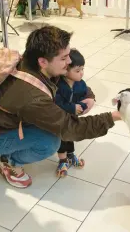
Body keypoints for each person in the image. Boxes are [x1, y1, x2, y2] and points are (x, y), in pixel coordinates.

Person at [0, 26, 122, 188]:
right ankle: (8, 161)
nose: (69, 62)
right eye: (64, 58)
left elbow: (74, 82)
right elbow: (70, 128)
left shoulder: (31, 63)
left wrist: (89, 97)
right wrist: (113, 116)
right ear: (43, 61)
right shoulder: (32, 97)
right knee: (50, 143)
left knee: (59, 116)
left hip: (1, 118)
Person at [55, 49, 92, 177]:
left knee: (71, 136)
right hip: (60, 118)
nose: (81, 73)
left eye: (82, 69)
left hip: (72, 117)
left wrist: (82, 106)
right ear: (65, 71)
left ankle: (70, 155)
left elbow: (83, 97)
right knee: (62, 138)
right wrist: (71, 108)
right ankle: (62, 160)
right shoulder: (59, 85)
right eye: (77, 70)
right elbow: (56, 102)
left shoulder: (80, 84)